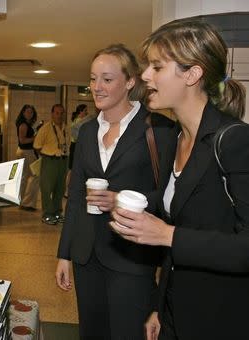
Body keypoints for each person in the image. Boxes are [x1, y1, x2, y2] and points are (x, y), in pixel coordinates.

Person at [110, 20, 248, 340]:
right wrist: (160, 306)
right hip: (176, 311)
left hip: (219, 319)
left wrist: (167, 234)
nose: (145, 75)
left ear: (192, 74)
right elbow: (181, 204)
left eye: (157, 66)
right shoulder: (176, 137)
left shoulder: (234, 141)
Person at [56, 44, 173, 339]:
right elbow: (75, 198)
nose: (97, 87)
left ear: (130, 81)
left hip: (132, 255)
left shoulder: (158, 129)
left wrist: (120, 199)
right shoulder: (85, 132)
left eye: (107, 79)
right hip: (87, 254)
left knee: (128, 332)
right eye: (93, 79)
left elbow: (171, 197)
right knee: (92, 331)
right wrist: (64, 255)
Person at [33, 104, 70, 225]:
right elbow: (37, 146)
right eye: (57, 113)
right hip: (50, 161)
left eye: (61, 113)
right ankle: (47, 214)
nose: (59, 115)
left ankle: (58, 212)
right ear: (52, 114)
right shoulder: (46, 128)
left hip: (63, 161)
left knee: (60, 189)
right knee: (47, 189)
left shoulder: (66, 128)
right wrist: (47, 155)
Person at [65, 104, 94, 197]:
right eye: (85, 110)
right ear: (80, 111)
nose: (87, 112)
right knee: (71, 170)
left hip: (78, 146)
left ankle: (71, 190)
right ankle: (67, 190)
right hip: (75, 146)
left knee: (75, 170)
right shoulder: (77, 122)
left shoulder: (80, 121)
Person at [15, 104, 39, 211]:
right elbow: (23, 140)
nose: (30, 114)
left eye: (32, 112)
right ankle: (27, 203)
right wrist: (35, 137)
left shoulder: (25, 124)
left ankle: (21, 201)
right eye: (28, 112)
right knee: (35, 175)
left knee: (24, 177)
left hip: (24, 152)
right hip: (26, 152)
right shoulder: (23, 125)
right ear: (23, 112)